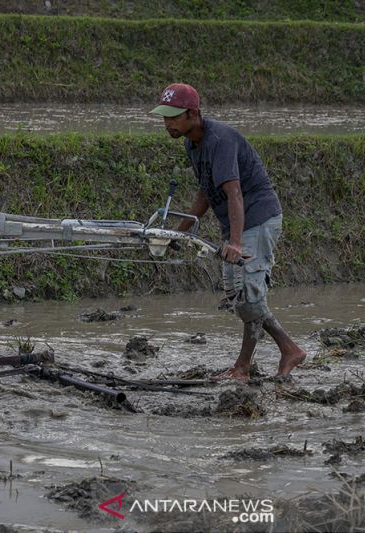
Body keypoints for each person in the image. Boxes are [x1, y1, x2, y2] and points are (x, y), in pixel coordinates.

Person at [149, 83, 306, 383]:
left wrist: (235, 242)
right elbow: (205, 193)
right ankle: (288, 349)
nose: (167, 123)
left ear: (192, 113)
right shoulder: (192, 144)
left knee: (249, 296)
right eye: (164, 116)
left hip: (257, 219)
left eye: (173, 116)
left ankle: (245, 367)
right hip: (238, 224)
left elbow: (234, 193)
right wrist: (175, 234)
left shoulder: (220, 139)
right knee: (239, 297)